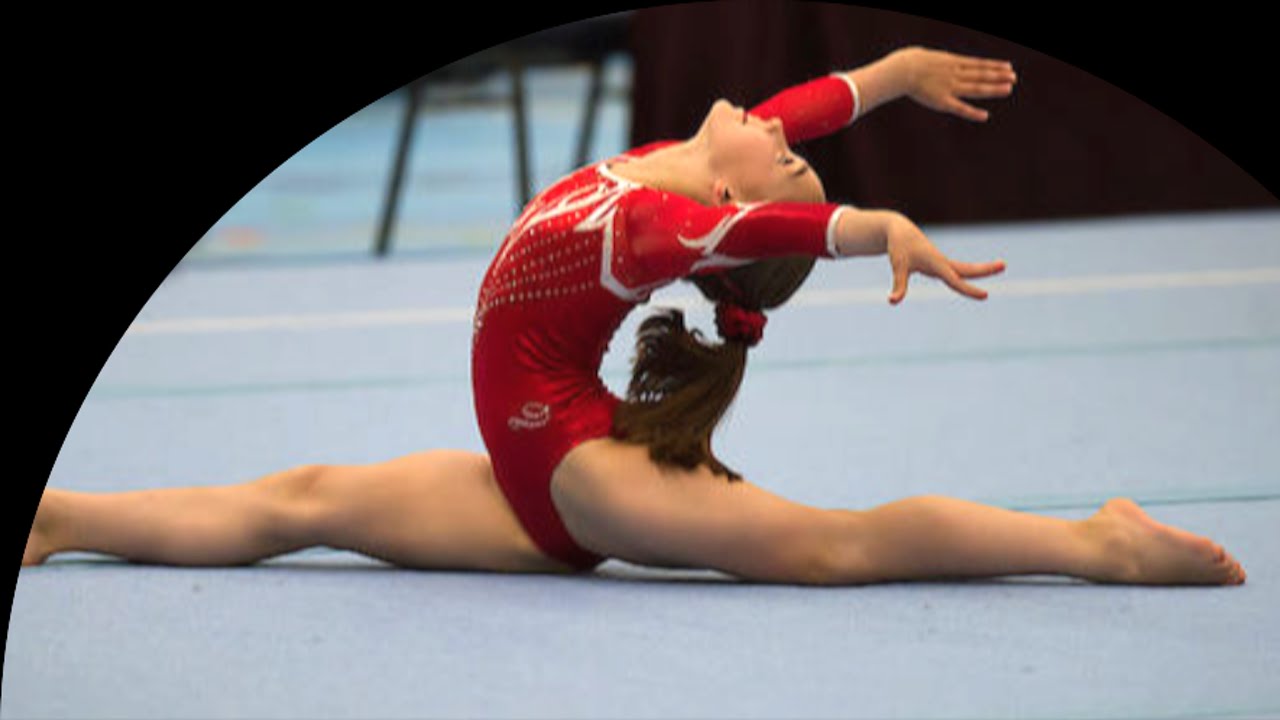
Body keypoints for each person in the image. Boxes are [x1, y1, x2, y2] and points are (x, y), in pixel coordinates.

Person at [23, 46, 1245, 587]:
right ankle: (56, 518)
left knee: (830, 545)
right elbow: (794, 123)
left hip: (579, 475)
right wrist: (890, 77)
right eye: (779, 140)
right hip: (530, 470)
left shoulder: (653, 228)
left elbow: (773, 225)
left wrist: (869, 228)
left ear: (723, 202)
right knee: (297, 501)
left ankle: (1096, 543)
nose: (772, 129)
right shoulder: (685, 165)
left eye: (779, 151)